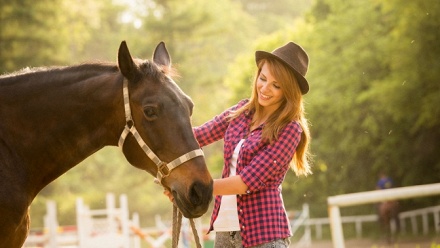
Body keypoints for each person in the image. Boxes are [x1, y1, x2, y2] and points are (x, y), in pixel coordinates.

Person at [166, 41, 312, 248]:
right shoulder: (242, 111)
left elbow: (247, 182)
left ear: (288, 91)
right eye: (263, 78)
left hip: (264, 235)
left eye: (276, 85)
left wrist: (195, 188)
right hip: (225, 233)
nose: (265, 88)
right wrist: (160, 131)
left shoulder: (290, 130)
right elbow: (198, 135)